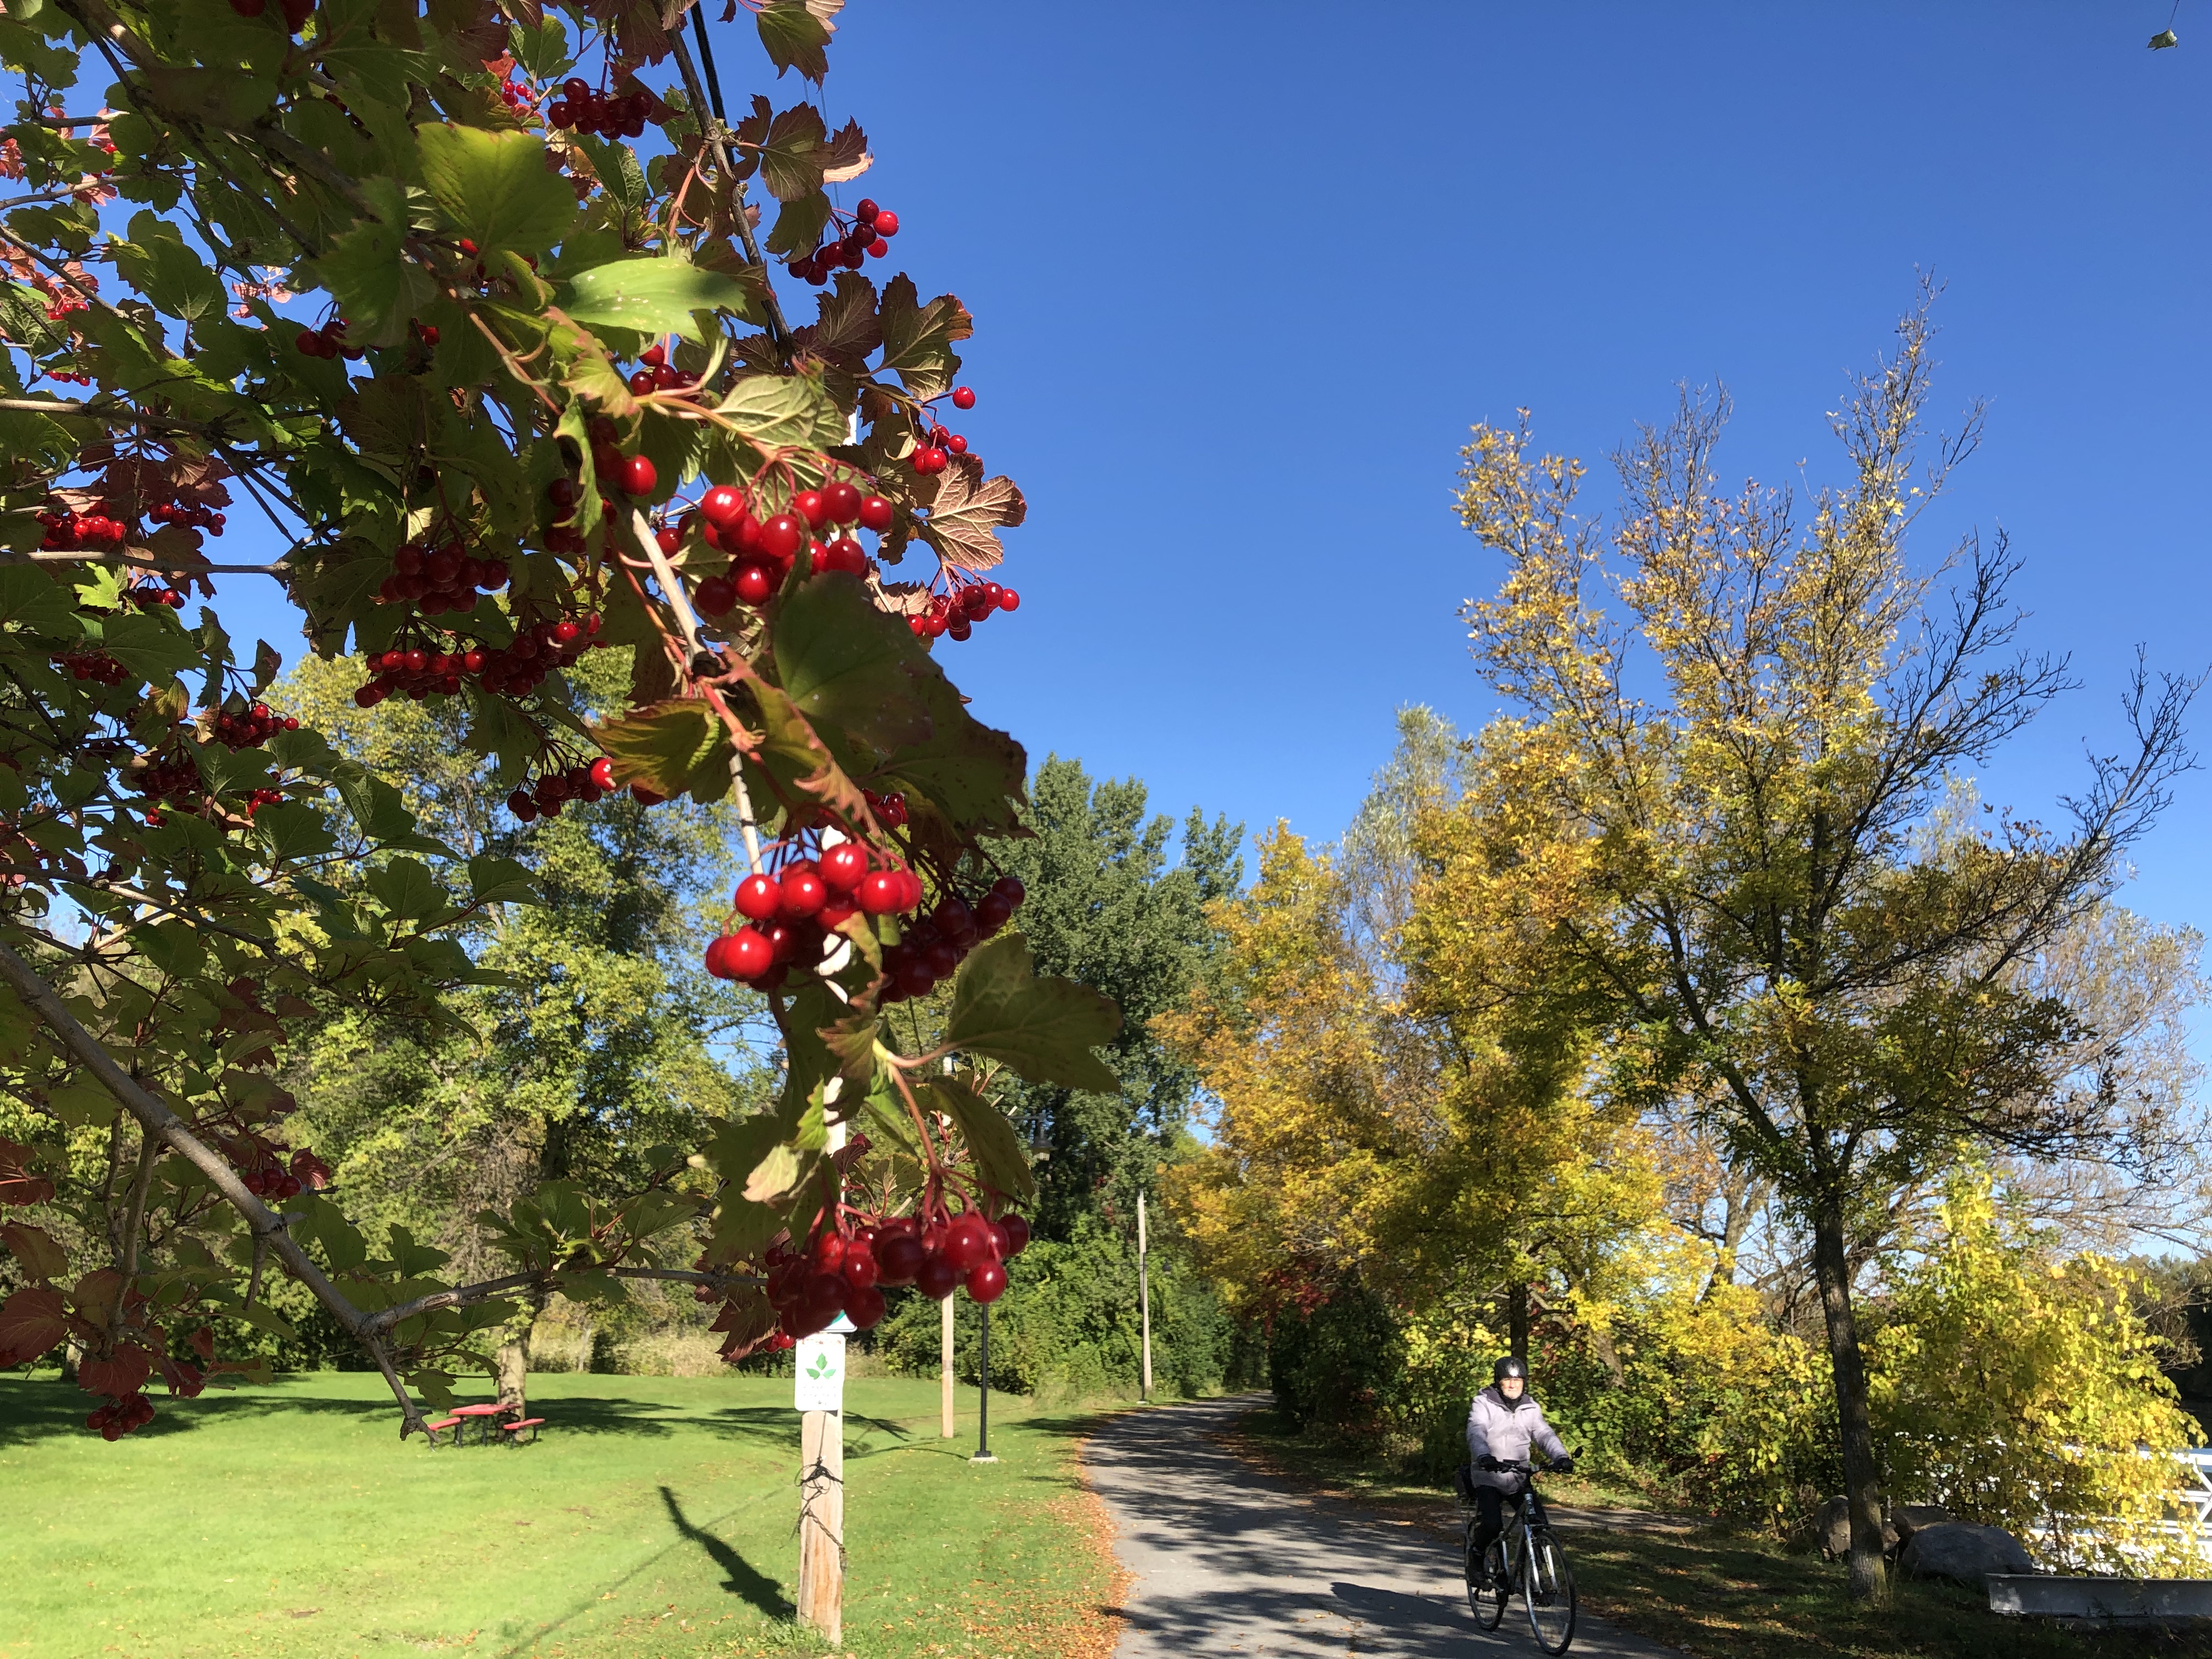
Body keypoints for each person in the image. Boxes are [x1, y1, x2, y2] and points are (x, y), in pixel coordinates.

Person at [1464, 1355, 1572, 1579]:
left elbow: (1543, 1434)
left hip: (1518, 1477)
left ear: (1524, 1382)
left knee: (1539, 1523)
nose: (1513, 1385)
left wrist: (1561, 1457)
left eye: (1518, 1380)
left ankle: (1537, 1578)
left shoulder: (1530, 1407)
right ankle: (1476, 1555)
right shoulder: (1483, 1403)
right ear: (1498, 1381)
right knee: (1493, 1525)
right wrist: (1484, 1455)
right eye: (1508, 1380)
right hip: (1489, 1475)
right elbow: (1477, 1430)